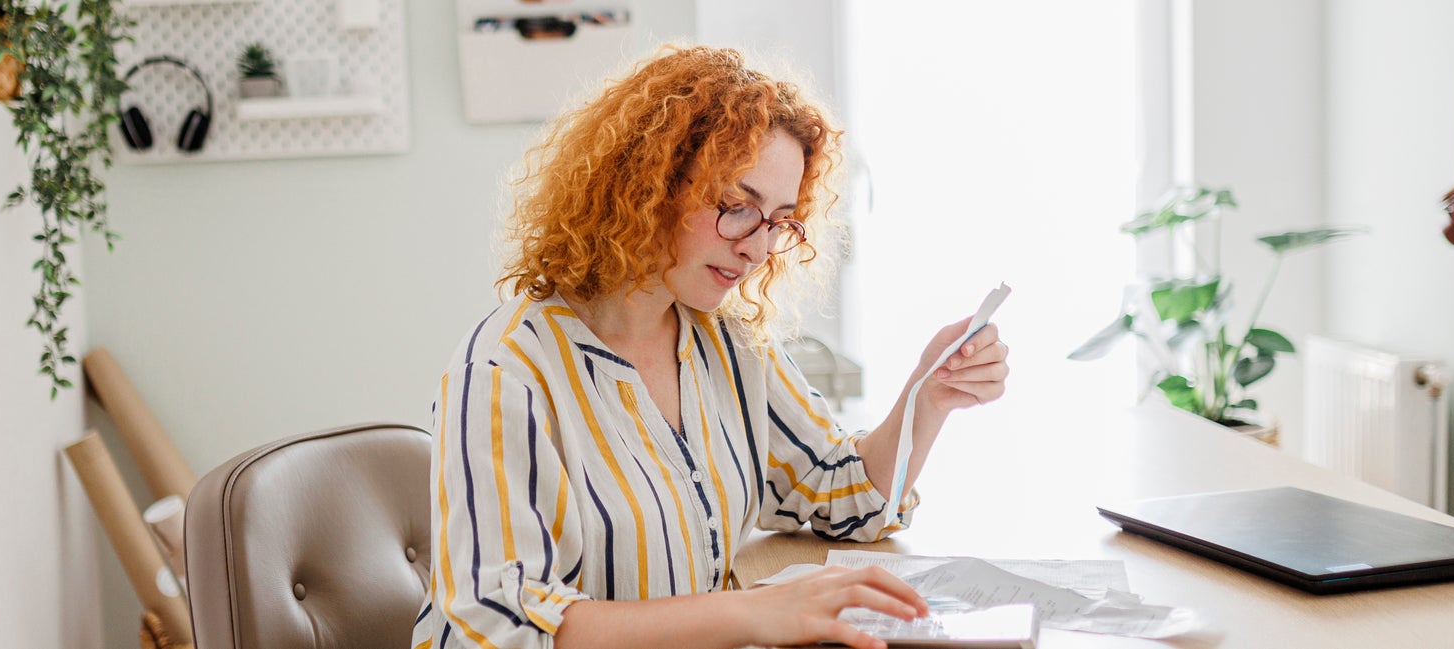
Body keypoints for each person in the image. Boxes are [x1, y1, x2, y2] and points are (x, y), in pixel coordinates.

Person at [413, 45, 1010, 649]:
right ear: (648, 183)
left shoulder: (725, 339)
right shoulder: (502, 374)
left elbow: (844, 493)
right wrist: (752, 614)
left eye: (779, 220)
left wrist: (928, 395)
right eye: (737, 206)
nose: (756, 247)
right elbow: (497, 629)